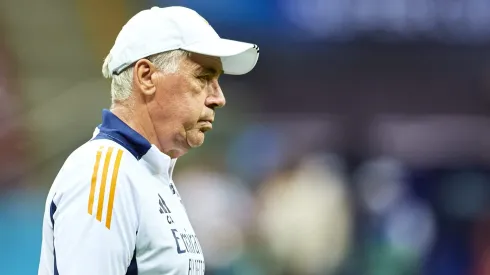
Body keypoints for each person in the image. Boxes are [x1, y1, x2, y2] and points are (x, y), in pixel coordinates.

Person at [38, 6, 259, 275]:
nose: (218, 98)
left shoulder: (146, 173)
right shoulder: (105, 172)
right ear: (146, 76)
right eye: (203, 77)